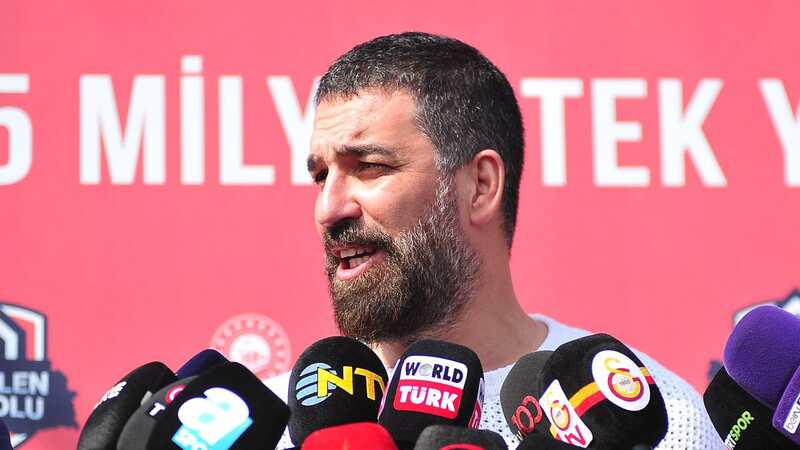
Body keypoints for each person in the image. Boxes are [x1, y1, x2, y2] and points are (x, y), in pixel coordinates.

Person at [267, 32, 723, 449]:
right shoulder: (274, 428)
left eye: (369, 166)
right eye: (321, 176)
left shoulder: (654, 419)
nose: (329, 209)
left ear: (481, 185)